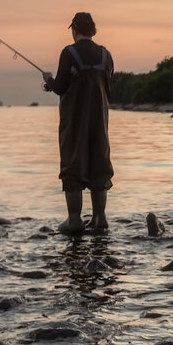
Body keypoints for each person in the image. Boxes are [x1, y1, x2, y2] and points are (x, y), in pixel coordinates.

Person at [42, 12, 114, 234]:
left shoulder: (69, 53)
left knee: (73, 164)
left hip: (75, 120)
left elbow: (61, 87)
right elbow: (110, 87)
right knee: (99, 165)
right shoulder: (106, 55)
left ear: (74, 29)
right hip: (99, 120)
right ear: (92, 30)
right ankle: (99, 218)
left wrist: (49, 81)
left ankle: (74, 220)